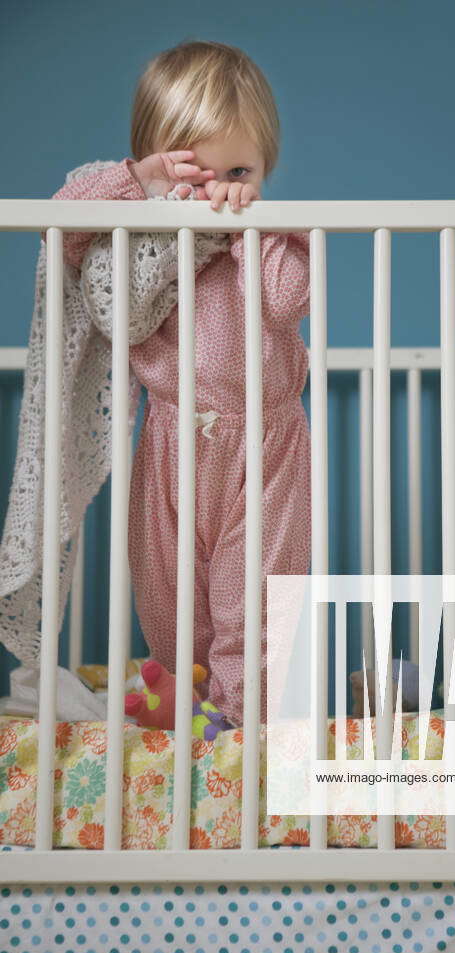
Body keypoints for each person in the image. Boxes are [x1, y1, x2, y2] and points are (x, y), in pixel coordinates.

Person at [0, 39, 312, 729]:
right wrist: (136, 184)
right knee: (166, 593)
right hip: (171, 438)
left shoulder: (258, 236)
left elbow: (288, 300)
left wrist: (254, 228)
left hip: (264, 446)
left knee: (251, 592)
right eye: (197, 175)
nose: (215, 190)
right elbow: (65, 220)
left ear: (264, 168)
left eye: (239, 169)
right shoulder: (138, 245)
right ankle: (191, 701)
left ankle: (242, 722)